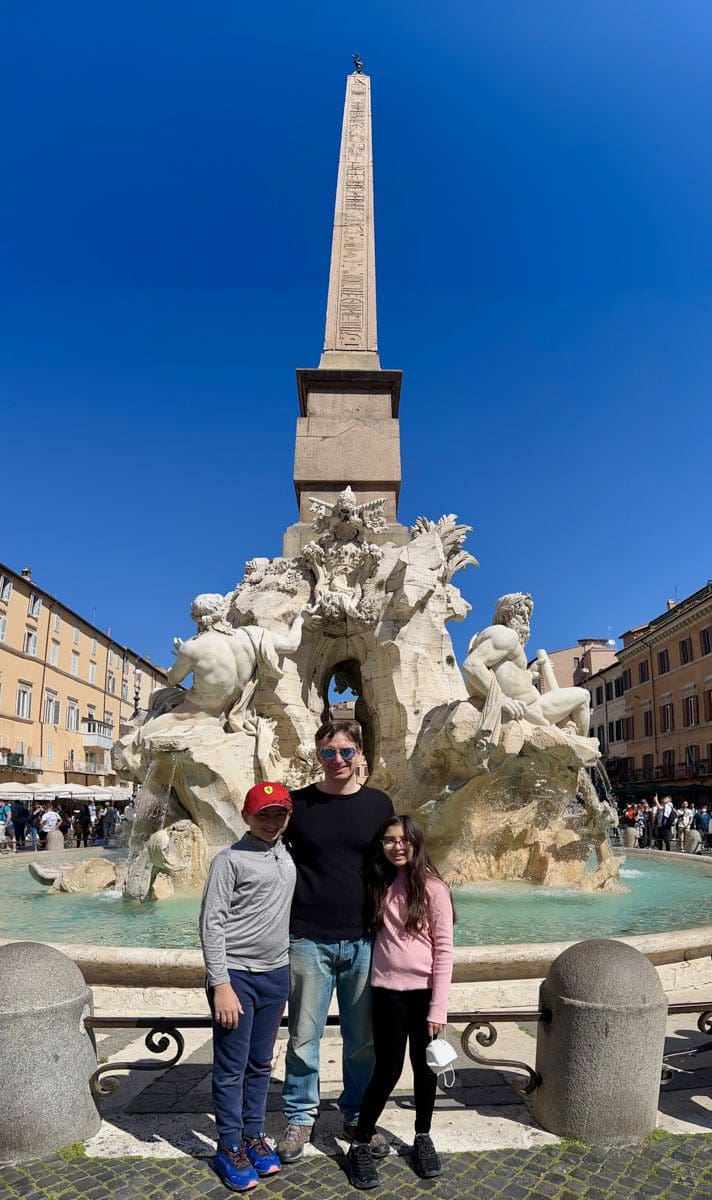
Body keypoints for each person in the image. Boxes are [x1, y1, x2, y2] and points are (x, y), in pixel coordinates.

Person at [278, 720, 394, 1164]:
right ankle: (300, 1115)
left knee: (362, 1038)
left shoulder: (379, 804)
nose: (339, 761)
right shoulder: (299, 805)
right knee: (303, 1036)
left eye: (346, 752)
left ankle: (356, 1114)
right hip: (308, 937)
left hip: (366, 938)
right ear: (317, 756)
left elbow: (397, 861)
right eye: (329, 754)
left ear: (360, 754)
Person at [346, 814, 455, 1189]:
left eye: (404, 840)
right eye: (390, 840)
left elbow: (444, 951)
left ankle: (422, 1137)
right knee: (387, 1071)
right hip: (387, 993)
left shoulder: (434, 889)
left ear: (417, 842)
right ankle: (360, 1141)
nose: (397, 846)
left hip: (424, 995)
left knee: (425, 1071)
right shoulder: (379, 883)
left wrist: (438, 1007)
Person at [200, 781, 296, 1194]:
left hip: (276, 973)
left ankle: (254, 1136)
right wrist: (220, 983)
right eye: (264, 814)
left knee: (260, 1063)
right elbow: (211, 923)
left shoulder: (285, 853)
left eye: (280, 813)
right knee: (231, 1067)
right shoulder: (229, 860)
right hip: (236, 975)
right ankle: (229, 1145)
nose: (272, 821)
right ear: (246, 817)